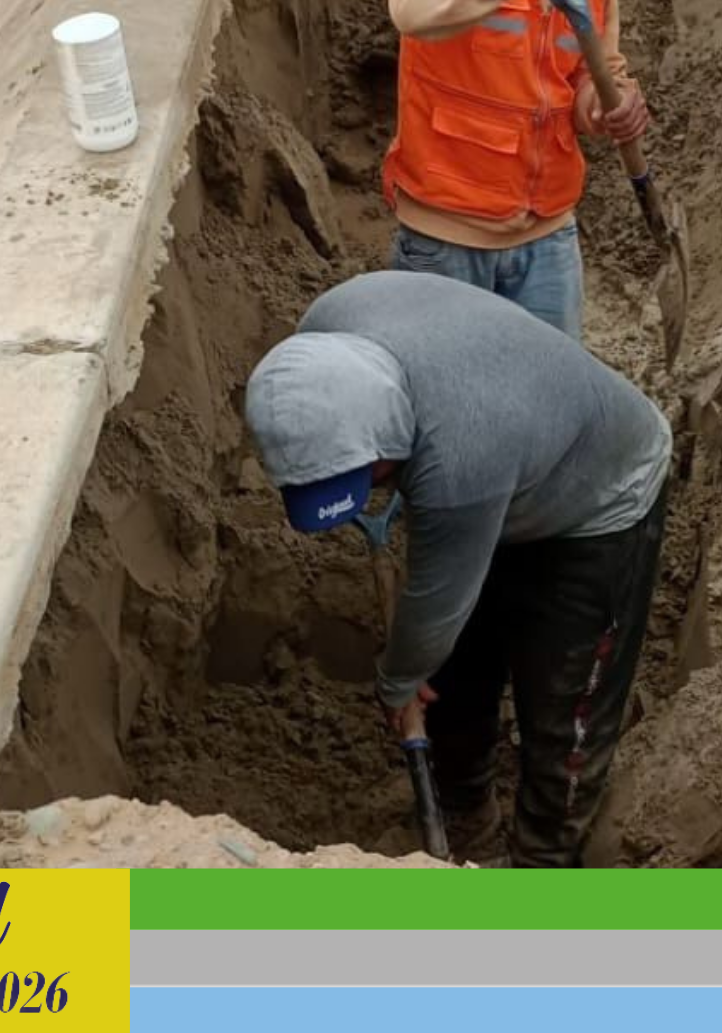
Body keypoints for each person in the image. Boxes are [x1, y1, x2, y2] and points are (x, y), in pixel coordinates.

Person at [244, 270, 672, 867]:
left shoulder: (460, 457)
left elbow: (436, 601)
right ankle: (464, 814)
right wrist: (419, 664)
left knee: (563, 710)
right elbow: (439, 601)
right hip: (508, 460)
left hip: (598, 499)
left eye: (370, 478)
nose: (368, 495)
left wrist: (396, 680)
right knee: (452, 671)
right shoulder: (325, 339)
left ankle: (542, 863)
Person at [381, 0, 681, 339]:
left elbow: (593, 71)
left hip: (546, 239)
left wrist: (604, 103)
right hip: (447, 237)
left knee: (551, 406)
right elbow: (409, 4)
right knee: (450, 402)